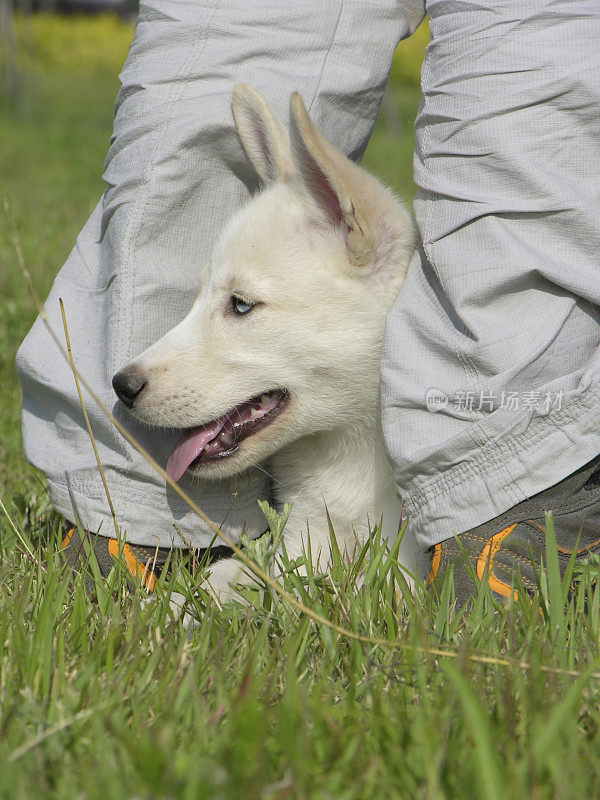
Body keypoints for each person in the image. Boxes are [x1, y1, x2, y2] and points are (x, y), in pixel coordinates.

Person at [17, 0, 600, 606]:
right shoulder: (311, 450)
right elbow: (302, 571)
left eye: (240, 306)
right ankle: (137, 510)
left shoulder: (349, 251)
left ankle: (510, 501)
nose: (144, 368)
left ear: (361, 238)